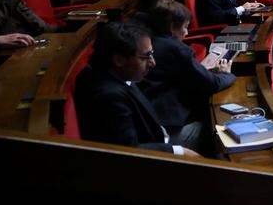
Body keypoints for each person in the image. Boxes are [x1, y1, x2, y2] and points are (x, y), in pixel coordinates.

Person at [73, 21, 199, 155]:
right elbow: (129, 151)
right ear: (119, 60)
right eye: (145, 57)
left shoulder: (115, 72)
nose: (153, 62)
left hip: (156, 134)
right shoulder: (108, 96)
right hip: (156, 154)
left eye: (152, 53)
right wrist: (180, 152)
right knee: (208, 130)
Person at [138, 0, 235, 153]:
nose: (187, 32)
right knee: (222, 130)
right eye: (185, 27)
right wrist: (225, 74)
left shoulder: (145, 40)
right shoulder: (175, 49)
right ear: (171, 27)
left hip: (149, 124)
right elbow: (212, 83)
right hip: (168, 132)